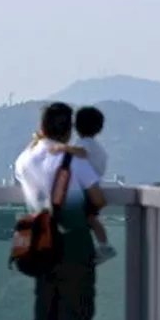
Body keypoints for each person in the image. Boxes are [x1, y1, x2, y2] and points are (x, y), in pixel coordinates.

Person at [14, 102, 107, 320]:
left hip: (40, 241)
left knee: (45, 310)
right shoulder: (73, 162)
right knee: (74, 309)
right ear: (69, 130)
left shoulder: (25, 159)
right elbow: (98, 198)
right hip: (72, 240)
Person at [49, 106, 116, 264]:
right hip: (92, 187)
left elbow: (82, 152)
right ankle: (102, 246)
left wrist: (61, 148)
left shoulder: (85, 144)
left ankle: (104, 246)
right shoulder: (94, 145)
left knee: (90, 218)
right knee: (90, 219)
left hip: (87, 190)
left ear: (75, 126)